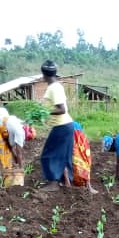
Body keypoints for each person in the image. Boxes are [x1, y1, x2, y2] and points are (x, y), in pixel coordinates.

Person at [38, 60, 75, 192]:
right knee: (63, 155)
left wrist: (45, 111)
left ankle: (53, 183)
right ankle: (66, 181)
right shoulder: (55, 86)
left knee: (48, 155)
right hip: (65, 126)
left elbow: (62, 109)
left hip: (62, 126)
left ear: (44, 74)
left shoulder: (54, 88)